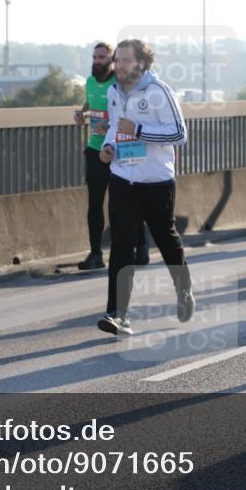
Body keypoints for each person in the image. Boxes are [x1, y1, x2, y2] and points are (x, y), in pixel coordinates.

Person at [96, 39, 193, 336]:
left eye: (126, 60)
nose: (119, 65)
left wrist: (138, 130)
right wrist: (108, 146)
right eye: (118, 59)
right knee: (122, 245)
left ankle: (183, 291)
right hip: (123, 178)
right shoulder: (114, 91)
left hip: (156, 181)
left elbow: (179, 133)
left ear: (141, 63)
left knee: (166, 239)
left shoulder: (159, 91)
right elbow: (115, 125)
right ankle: (117, 313)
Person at [73, 43, 148, 270]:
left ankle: (141, 247)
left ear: (112, 60)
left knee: (129, 202)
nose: (97, 61)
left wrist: (112, 123)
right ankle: (96, 254)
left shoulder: (121, 83)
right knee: (94, 203)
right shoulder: (89, 81)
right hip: (96, 149)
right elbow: (91, 102)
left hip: (121, 150)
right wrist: (82, 113)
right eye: (95, 57)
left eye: (102, 57)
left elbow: (134, 110)